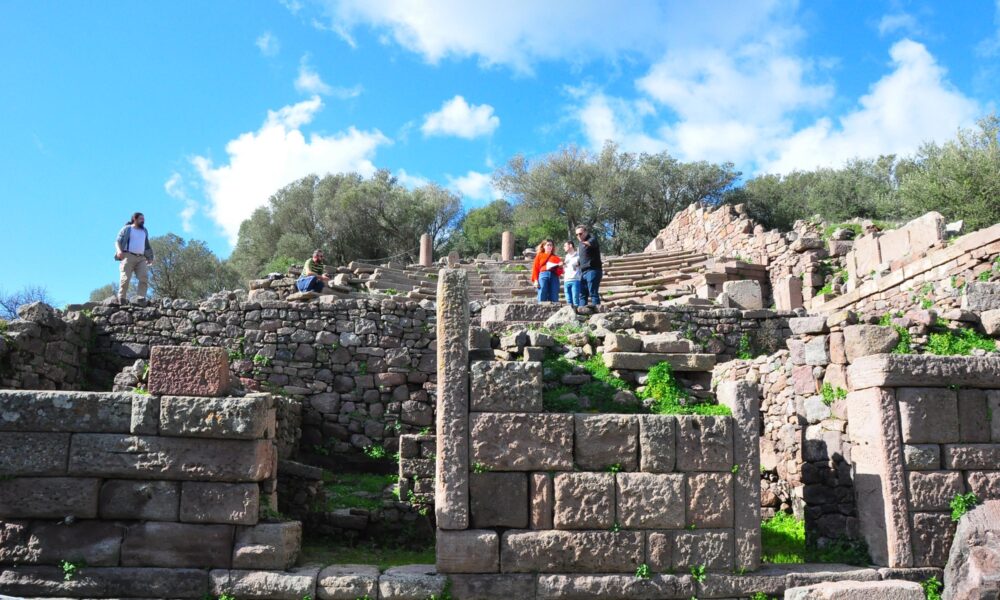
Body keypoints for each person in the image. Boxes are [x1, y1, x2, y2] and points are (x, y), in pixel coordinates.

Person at [114, 212, 154, 304]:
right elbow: (117, 241)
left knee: (144, 277)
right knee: (125, 279)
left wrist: (150, 257)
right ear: (134, 219)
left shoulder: (144, 231)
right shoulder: (127, 229)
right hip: (128, 256)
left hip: (141, 258)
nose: (143, 221)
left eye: (143, 219)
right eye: (141, 219)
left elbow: (146, 245)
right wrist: (119, 251)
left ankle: (140, 299)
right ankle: (121, 299)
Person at [575, 224, 602, 310]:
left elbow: (590, 244)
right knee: (582, 294)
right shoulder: (580, 244)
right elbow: (583, 256)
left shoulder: (592, 239)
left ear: (586, 232)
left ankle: (598, 312)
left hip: (593, 270)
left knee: (593, 292)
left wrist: (584, 243)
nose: (578, 236)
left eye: (580, 233)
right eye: (577, 235)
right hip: (583, 272)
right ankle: (582, 312)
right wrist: (578, 263)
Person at [562, 240, 582, 307]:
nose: (564, 247)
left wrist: (578, 265)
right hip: (566, 280)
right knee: (568, 301)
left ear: (570, 245)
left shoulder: (578, 256)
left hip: (575, 280)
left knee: (576, 300)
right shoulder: (566, 256)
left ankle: (577, 312)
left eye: (565, 246)